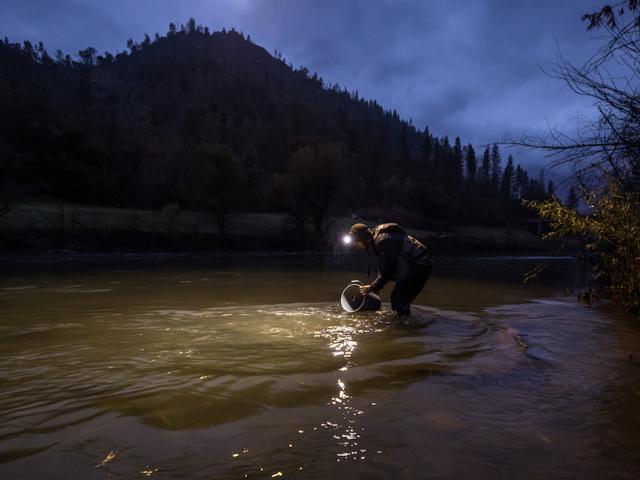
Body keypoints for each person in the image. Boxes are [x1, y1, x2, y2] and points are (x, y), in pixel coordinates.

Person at [345, 223, 432, 316]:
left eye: (357, 243)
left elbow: (389, 270)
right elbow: (384, 264)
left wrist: (372, 287)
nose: (357, 247)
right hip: (410, 264)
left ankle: (404, 326)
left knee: (400, 299)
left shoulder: (383, 241)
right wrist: (376, 286)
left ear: (363, 239)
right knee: (396, 297)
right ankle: (400, 320)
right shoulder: (375, 239)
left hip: (420, 264)